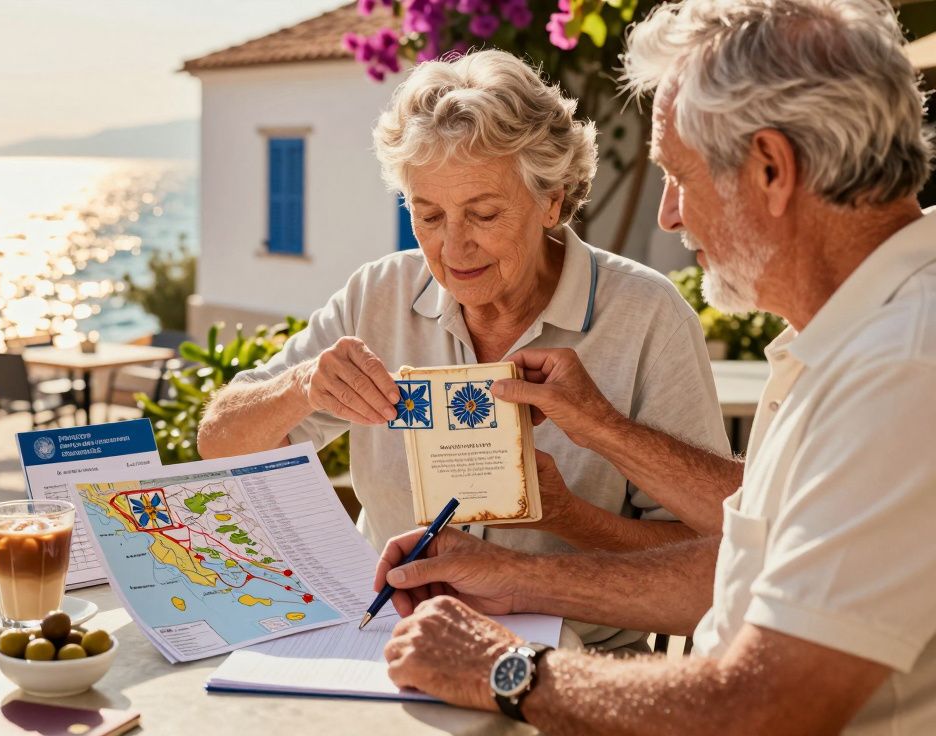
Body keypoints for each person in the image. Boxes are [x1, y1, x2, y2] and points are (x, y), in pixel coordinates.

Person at [378, 0, 936, 732]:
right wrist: (516, 577)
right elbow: (748, 557)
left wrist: (501, 669)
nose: (669, 215)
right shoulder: (862, 334)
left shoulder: (900, 367)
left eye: (679, 175)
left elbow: (759, 707)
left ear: (771, 168)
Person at [198, 49, 733, 651]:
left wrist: (566, 515)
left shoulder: (646, 315)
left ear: (551, 199)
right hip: (384, 645)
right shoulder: (378, 294)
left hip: (575, 661)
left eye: (483, 213)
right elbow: (218, 444)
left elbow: (720, 552)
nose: (454, 247)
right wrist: (301, 388)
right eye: (427, 216)